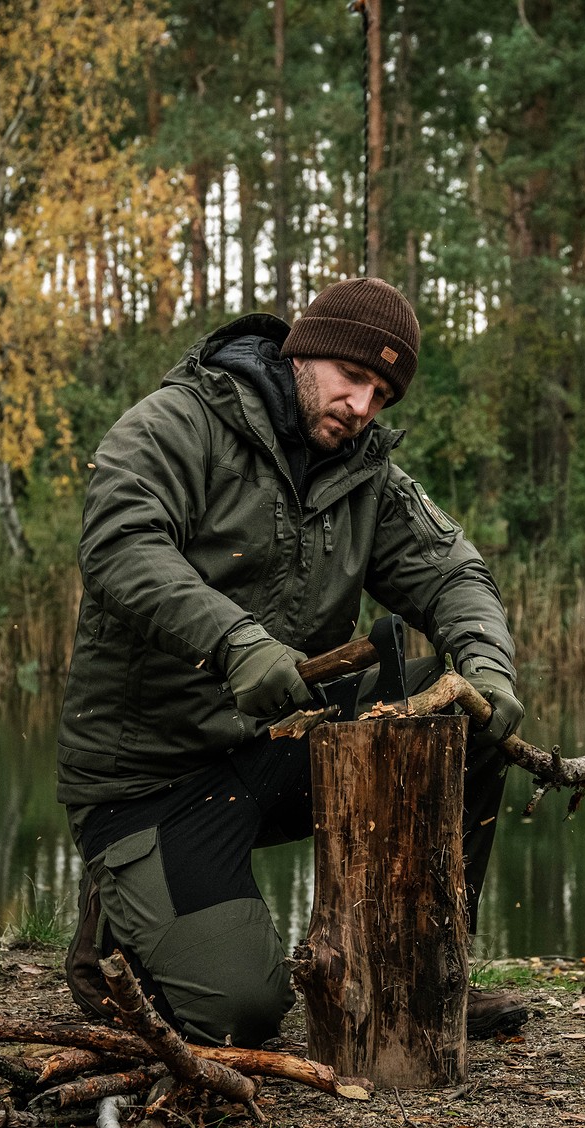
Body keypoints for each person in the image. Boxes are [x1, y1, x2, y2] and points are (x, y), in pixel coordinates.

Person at [56, 278, 526, 1048]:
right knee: (239, 1014)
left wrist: (489, 666)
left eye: (382, 394)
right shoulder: (180, 422)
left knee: (457, 714)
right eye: (353, 379)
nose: (364, 407)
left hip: (283, 742)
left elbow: (454, 573)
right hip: (150, 777)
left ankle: (415, 971)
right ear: (304, 352)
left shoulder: (365, 474)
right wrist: (235, 640)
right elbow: (120, 544)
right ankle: (114, 924)